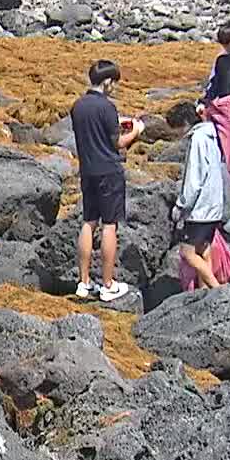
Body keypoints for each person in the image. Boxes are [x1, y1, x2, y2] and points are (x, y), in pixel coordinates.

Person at [70, 60, 144, 302]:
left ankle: (84, 283)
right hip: (109, 172)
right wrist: (136, 130)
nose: (115, 87)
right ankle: (108, 284)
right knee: (109, 225)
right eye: (115, 83)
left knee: (88, 222)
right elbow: (118, 143)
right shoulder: (107, 107)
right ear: (107, 81)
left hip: (87, 171)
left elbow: (95, 130)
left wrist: (117, 122)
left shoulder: (78, 106)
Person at [175, 99, 230, 289]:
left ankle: (216, 288)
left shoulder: (198, 139)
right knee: (204, 250)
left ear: (184, 123)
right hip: (214, 205)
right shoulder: (214, 135)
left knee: (187, 252)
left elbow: (194, 177)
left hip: (200, 209)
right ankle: (204, 292)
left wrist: (181, 205)